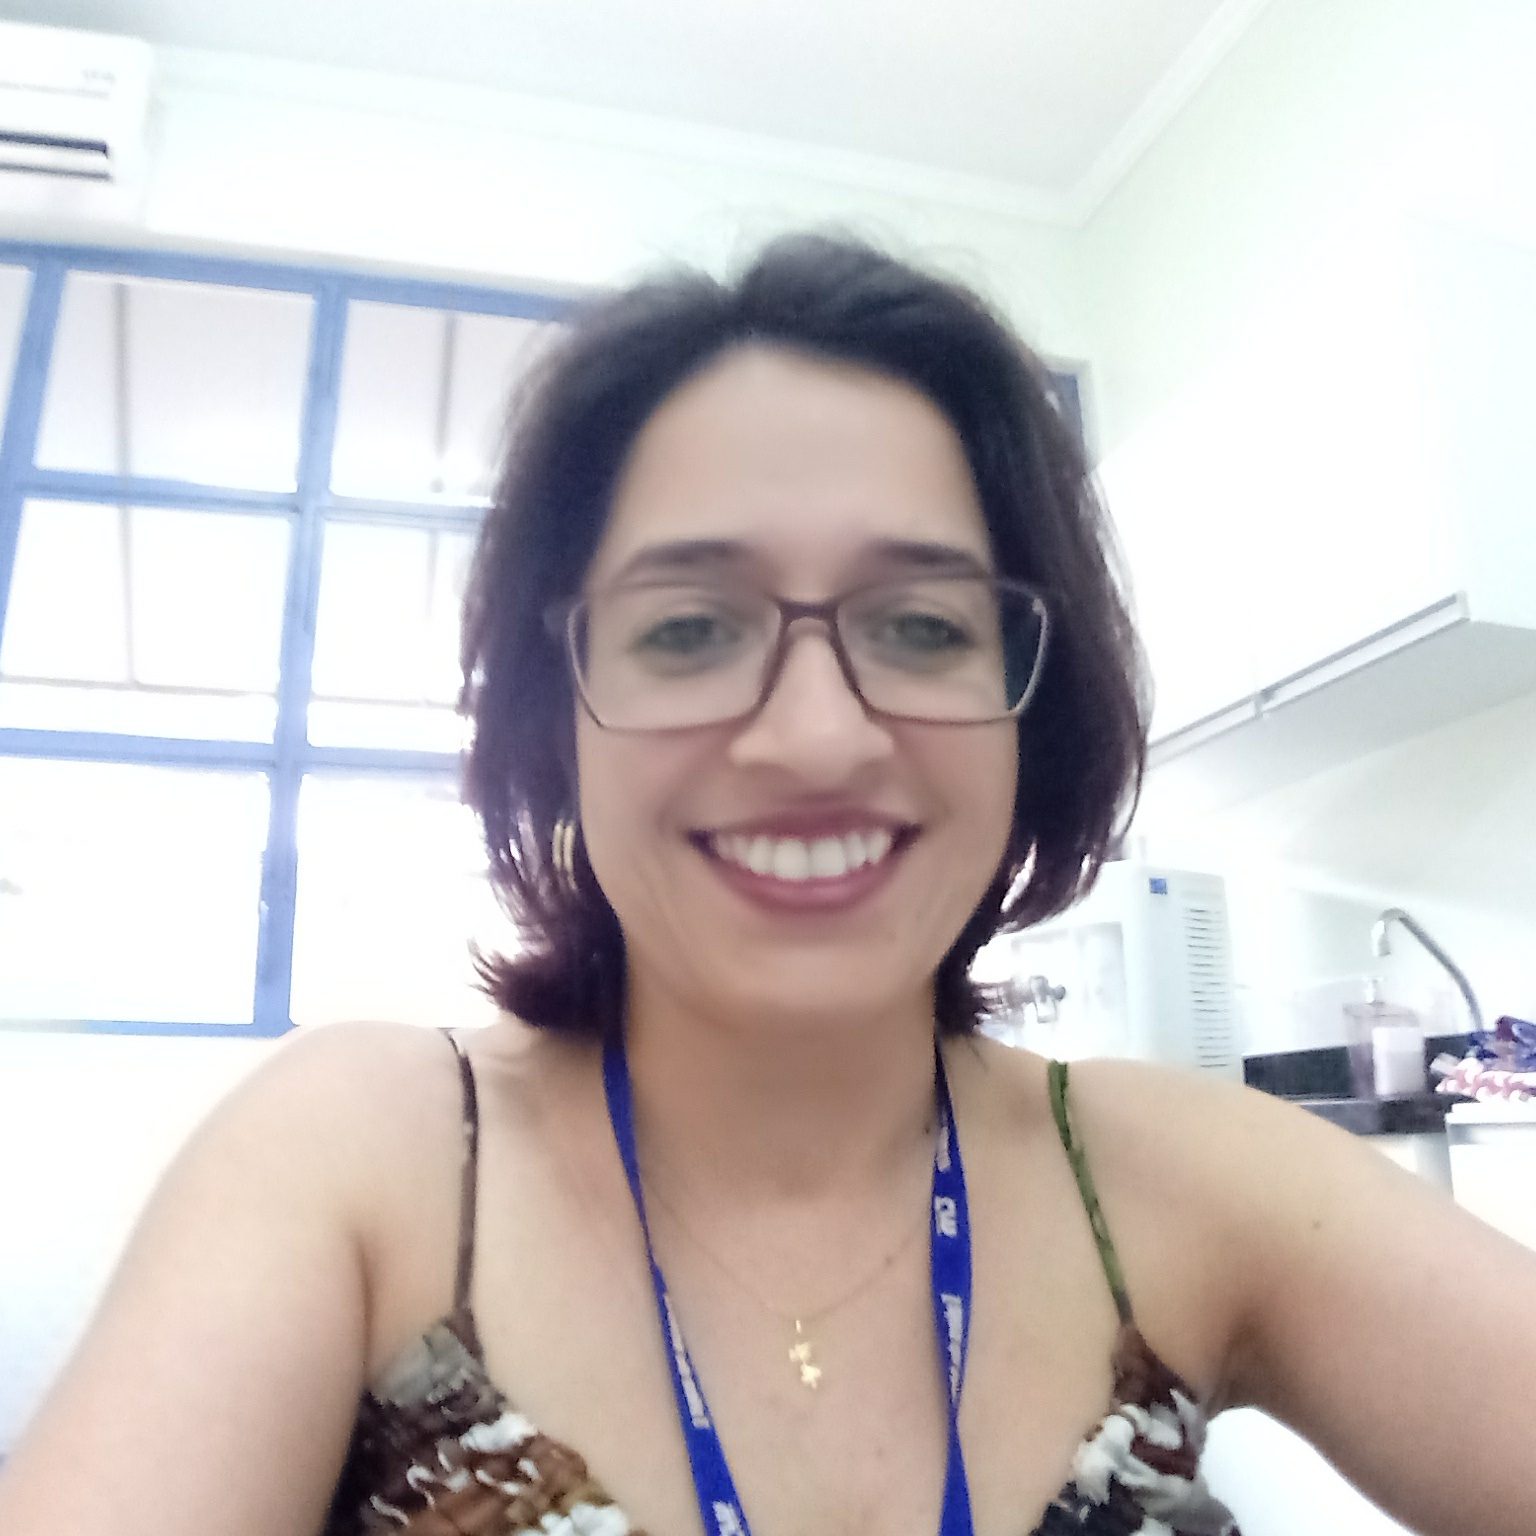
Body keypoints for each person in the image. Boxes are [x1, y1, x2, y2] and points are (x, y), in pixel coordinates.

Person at [1, 233, 1531, 1536]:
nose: (815, 737)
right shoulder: (367, 1157)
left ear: (1030, 709)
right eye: (689, 629)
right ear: (557, 713)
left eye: (921, 627)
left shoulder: (1173, 1176)